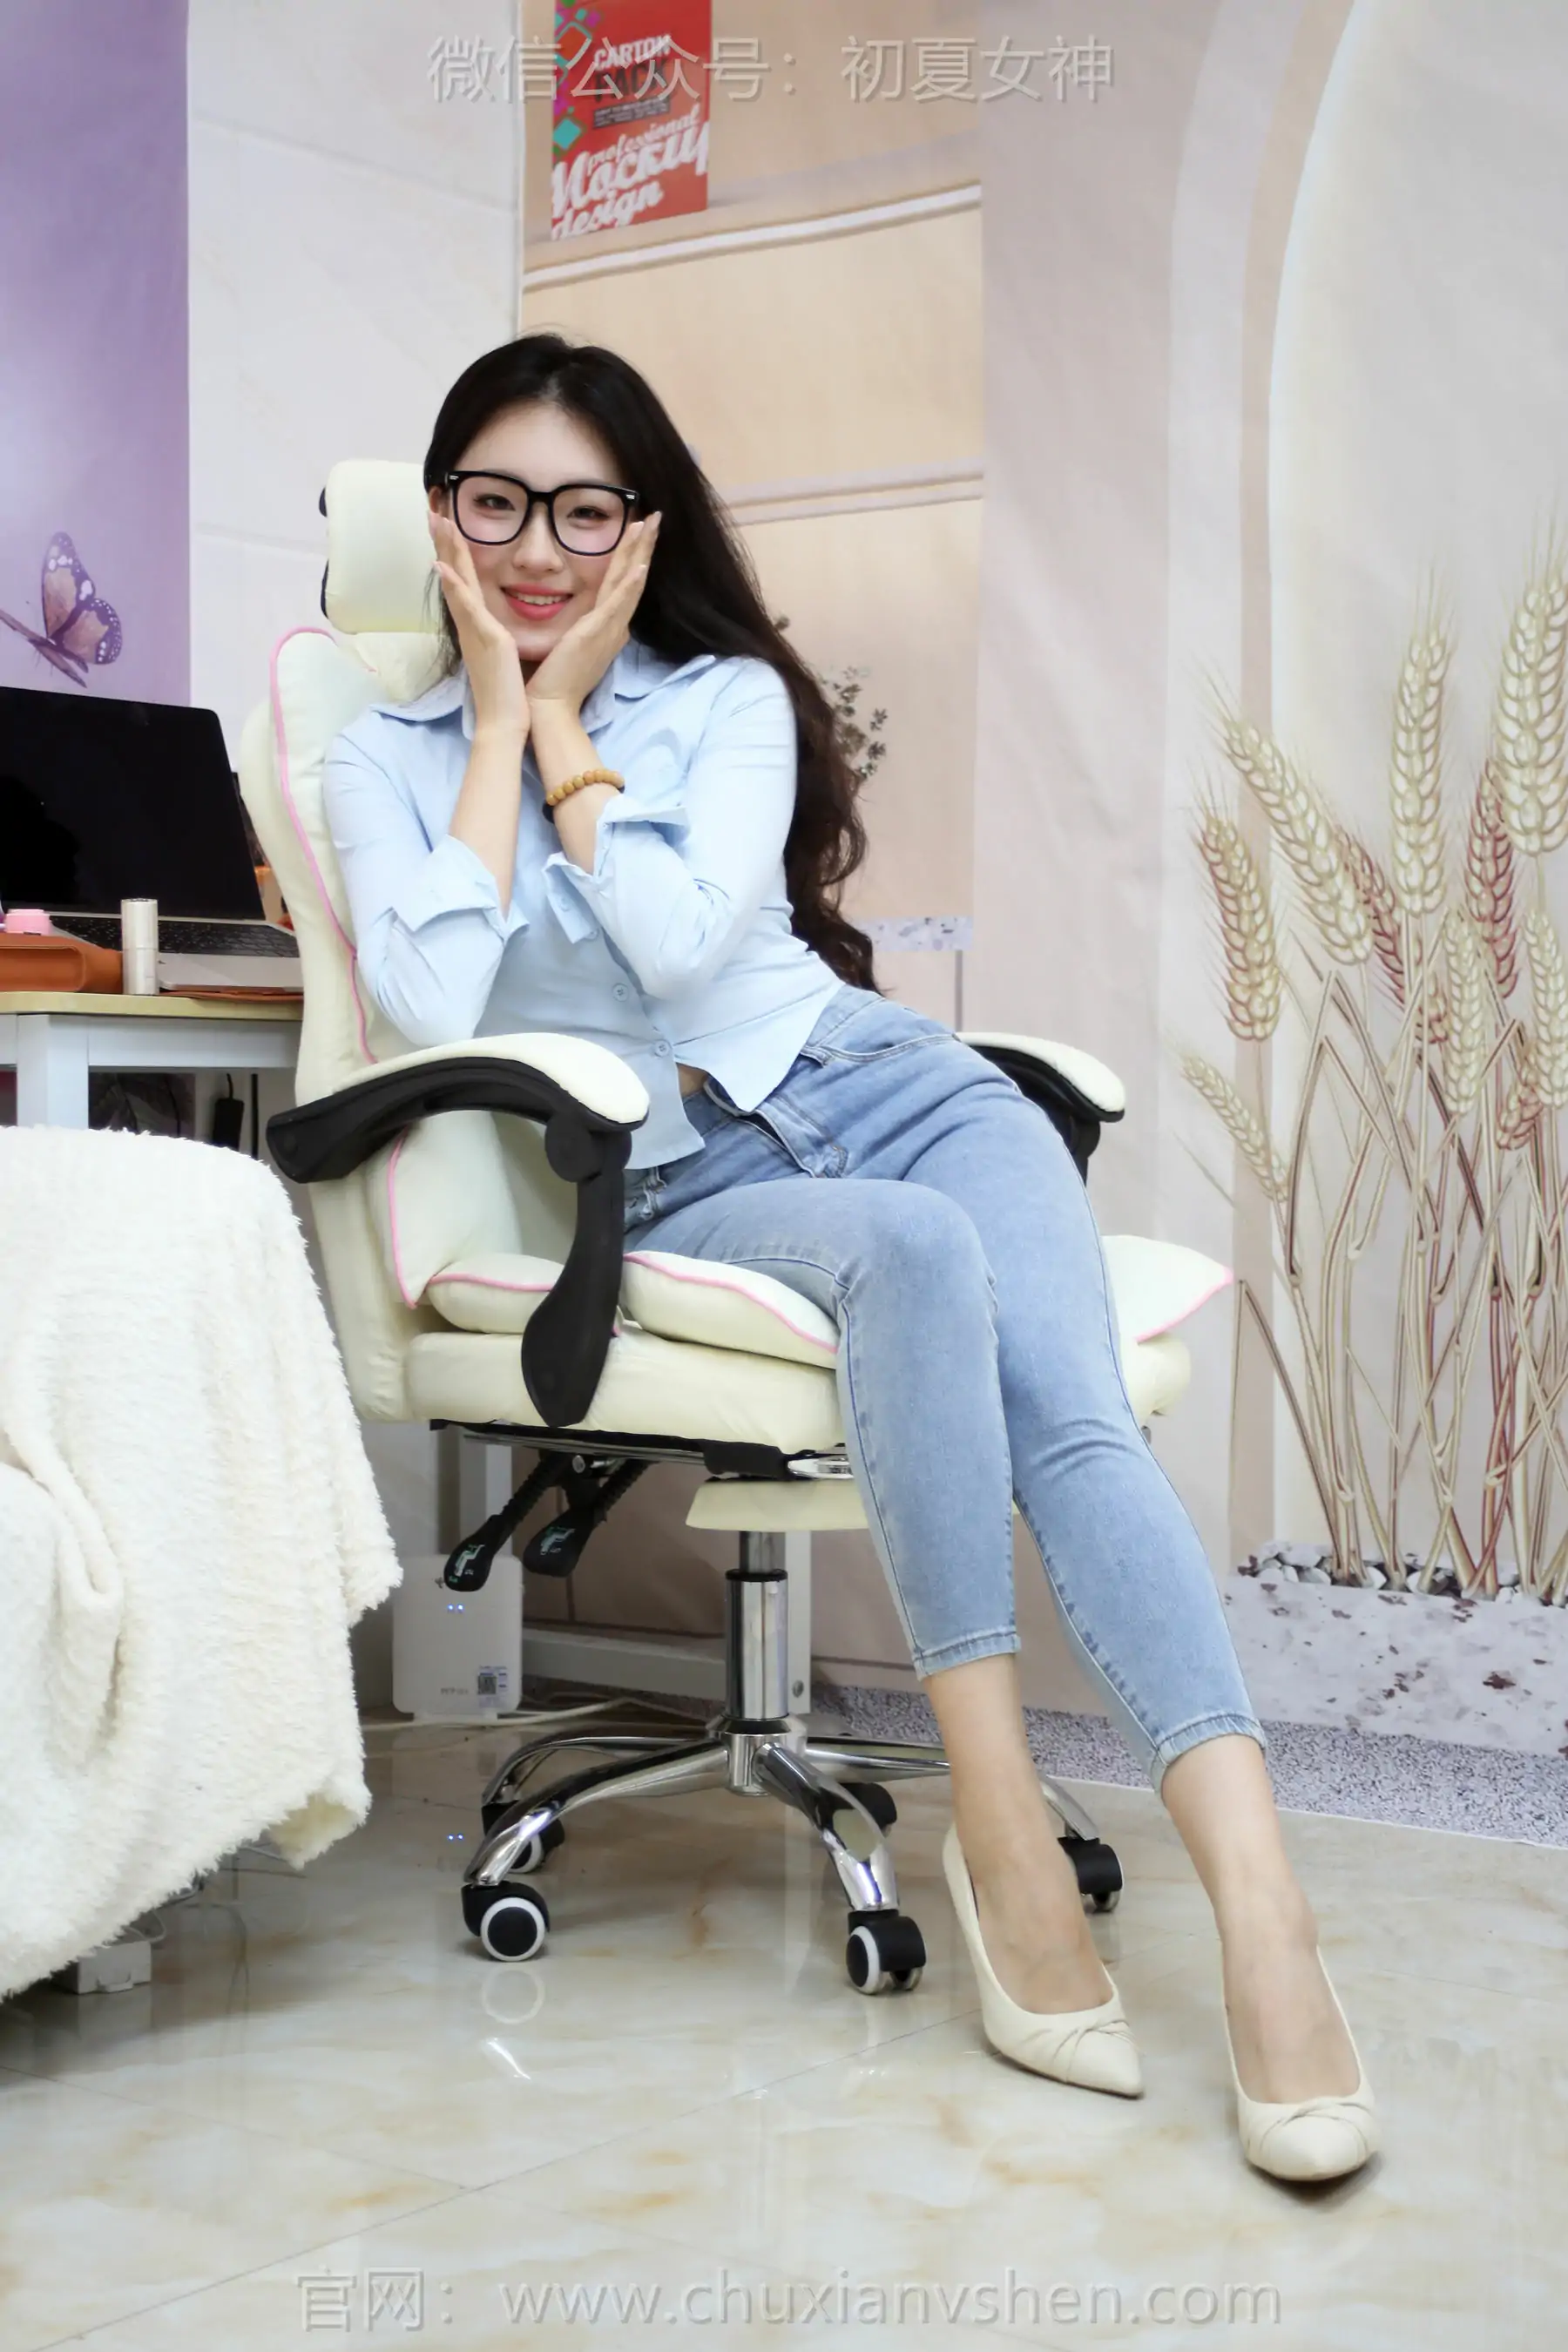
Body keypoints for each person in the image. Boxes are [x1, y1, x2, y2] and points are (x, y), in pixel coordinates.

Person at [322, 333, 1378, 2184]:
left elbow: (682, 939)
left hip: (889, 1083)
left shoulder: (726, 702)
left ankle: (1266, 1912)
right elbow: (426, 995)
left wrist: (570, 727)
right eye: (497, 505)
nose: (538, 548)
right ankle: (999, 1829)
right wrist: (500, 729)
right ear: (438, 519)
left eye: (584, 511)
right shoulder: (378, 757)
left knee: (1070, 1412)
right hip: (667, 1175)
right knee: (912, 1257)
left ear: (643, 531)